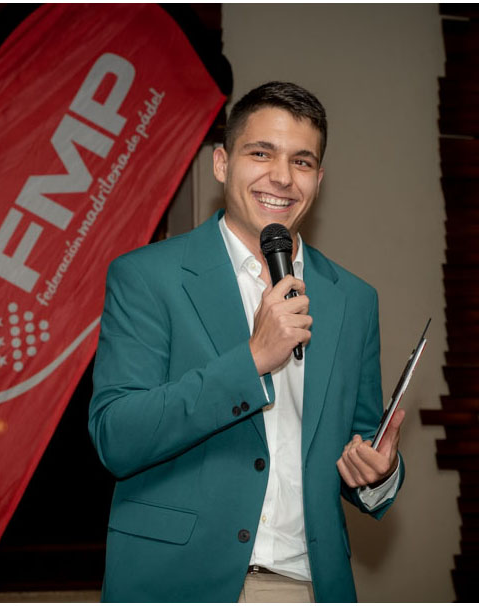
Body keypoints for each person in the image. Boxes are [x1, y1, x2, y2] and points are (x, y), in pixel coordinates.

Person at [89, 81, 405, 602]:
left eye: (302, 161)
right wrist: (253, 359)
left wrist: (379, 471)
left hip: (306, 585)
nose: (282, 176)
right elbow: (116, 438)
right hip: (178, 583)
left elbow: (361, 445)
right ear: (222, 163)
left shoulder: (353, 299)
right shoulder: (147, 276)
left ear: (319, 180)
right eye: (261, 153)